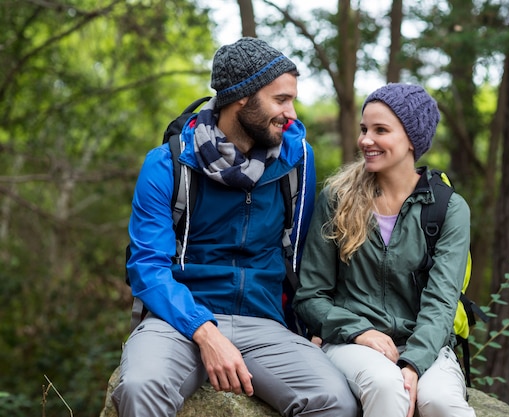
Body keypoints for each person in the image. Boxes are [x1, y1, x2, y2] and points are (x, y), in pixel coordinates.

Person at [112, 37, 358, 417]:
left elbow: (303, 256)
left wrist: (314, 324)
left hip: (264, 323)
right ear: (242, 98)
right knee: (141, 387)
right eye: (281, 100)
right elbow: (147, 268)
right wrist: (205, 332)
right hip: (178, 320)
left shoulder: (297, 161)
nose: (291, 113)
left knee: (335, 401)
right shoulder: (168, 164)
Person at [293, 83, 476, 417]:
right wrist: (359, 332)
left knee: (443, 403)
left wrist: (414, 364)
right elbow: (311, 296)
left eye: (381, 130)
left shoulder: (449, 209)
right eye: (364, 129)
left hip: (427, 345)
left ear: (411, 139)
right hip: (350, 341)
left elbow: (442, 301)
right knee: (385, 384)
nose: (365, 140)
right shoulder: (337, 199)